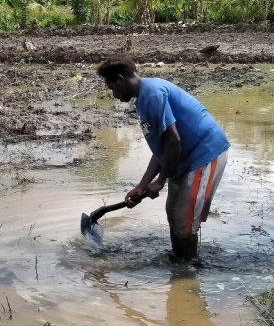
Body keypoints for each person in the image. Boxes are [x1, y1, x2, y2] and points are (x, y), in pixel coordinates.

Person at [96, 55, 230, 261]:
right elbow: (163, 148)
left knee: (183, 219)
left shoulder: (152, 94)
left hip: (204, 153)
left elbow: (174, 141)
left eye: (112, 88)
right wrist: (142, 185)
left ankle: (188, 271)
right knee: (174, 212)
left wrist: (160, 181)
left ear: (120, 79)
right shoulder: (144, 98)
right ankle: (178, 259)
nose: (113, 95)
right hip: (184, 157)